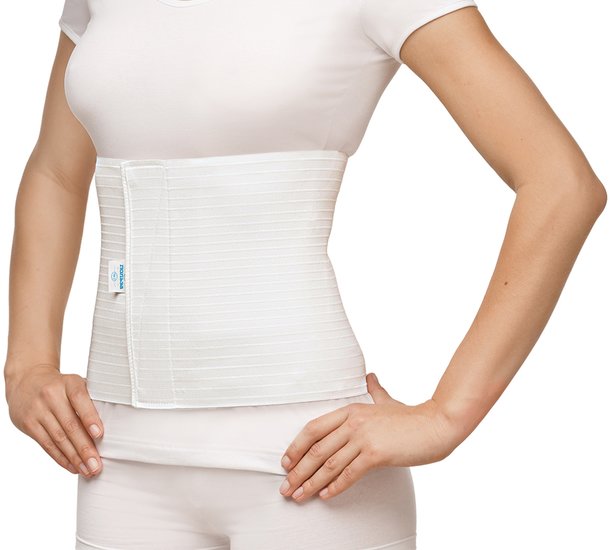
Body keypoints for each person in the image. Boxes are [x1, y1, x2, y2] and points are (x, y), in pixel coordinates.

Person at [4, 0, 606, 548]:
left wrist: (446, 416)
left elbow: (562, 184)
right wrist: (26, 364)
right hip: (116, 458)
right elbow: (56, 171)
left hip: (308, 461)